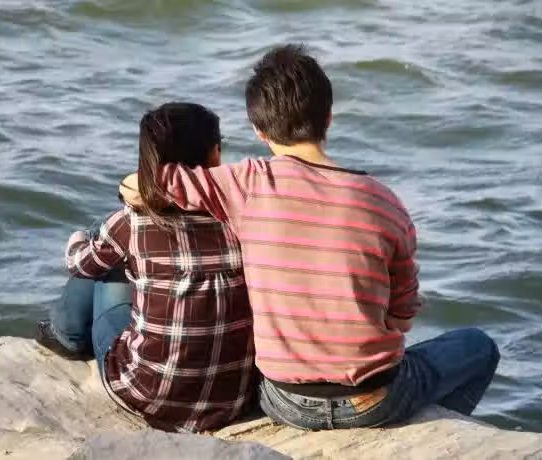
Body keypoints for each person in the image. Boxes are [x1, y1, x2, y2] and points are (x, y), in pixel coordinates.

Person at [118, 44, 500, 430]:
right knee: (478, 347)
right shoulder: (385, 202)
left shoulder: (246, 182)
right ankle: (427, 428)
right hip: (373, 400)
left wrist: (132, 191)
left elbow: (148, 181)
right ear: (329, 118)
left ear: (258, 130)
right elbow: (402, 316)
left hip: (283, 400)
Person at [36, 102, 256, 433]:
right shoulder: (244, 218)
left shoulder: (133, 222)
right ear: (214, 154)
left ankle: (66, 336)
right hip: (230, 400)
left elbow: (79, 265)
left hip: (147, 395)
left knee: (104, 261)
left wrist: (77, 241)